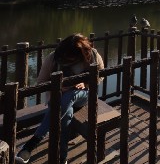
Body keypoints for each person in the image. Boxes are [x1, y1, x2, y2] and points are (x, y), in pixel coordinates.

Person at [16, 34, 104, 164]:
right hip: (59, 99)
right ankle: (62, 158)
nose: (67, 60)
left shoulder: (92, 55)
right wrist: (58, 88)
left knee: (71, 95)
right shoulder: (53, 57)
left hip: (83, 95)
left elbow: (100, 76)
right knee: (66, 116)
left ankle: (32, 143)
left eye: (71, 58)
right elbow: (41, 82)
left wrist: (85, 84)